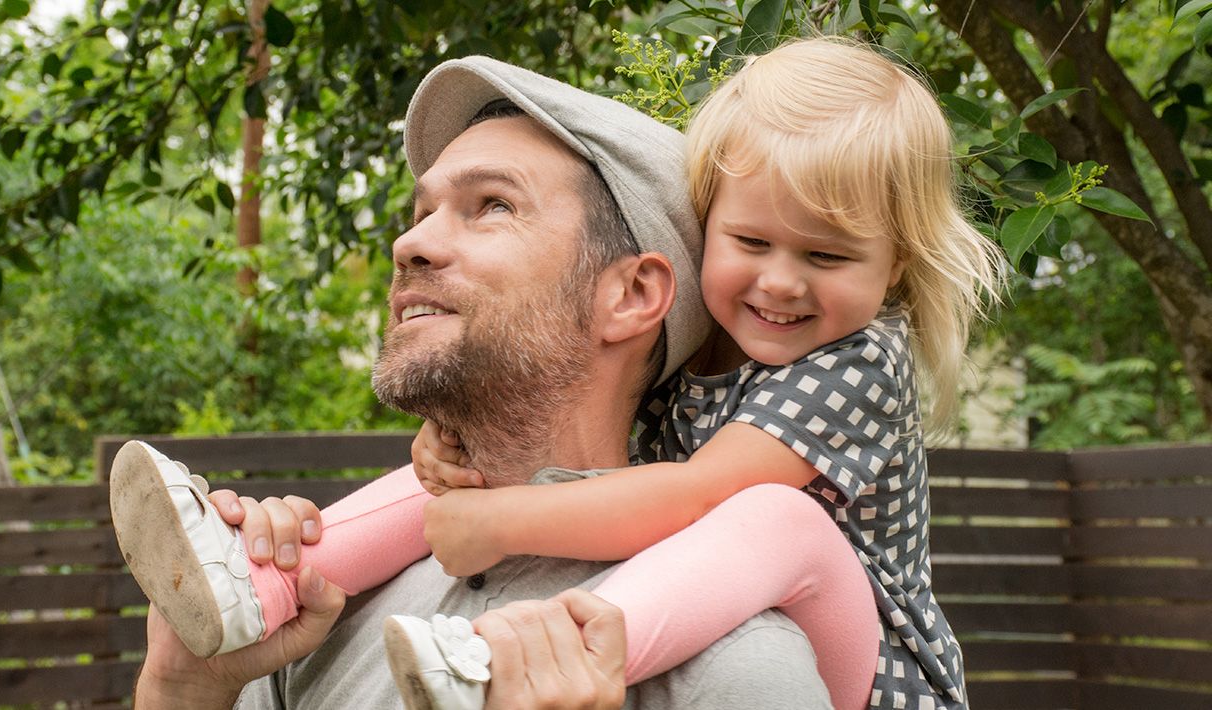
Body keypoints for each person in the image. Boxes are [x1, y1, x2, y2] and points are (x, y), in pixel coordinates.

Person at [121, 53, 835, 709]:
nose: (410, 243)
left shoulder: (735, 668)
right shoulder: (316, 608)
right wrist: (186, 682)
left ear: (630, 296)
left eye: (492, 205)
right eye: (421, 211)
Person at [396, 37, 1004, 710]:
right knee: (416, 486)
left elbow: (701, 496)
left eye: (826, 257)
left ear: (894, 265)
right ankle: (278, 587)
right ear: (708, 227)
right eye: (750, 242)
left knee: (774, 515)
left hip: (863, 673)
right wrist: (448, 443)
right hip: (738, 626)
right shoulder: (705, 340)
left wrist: (501, 520)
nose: (779, 283)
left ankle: (521, 657)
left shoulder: (858, 360)